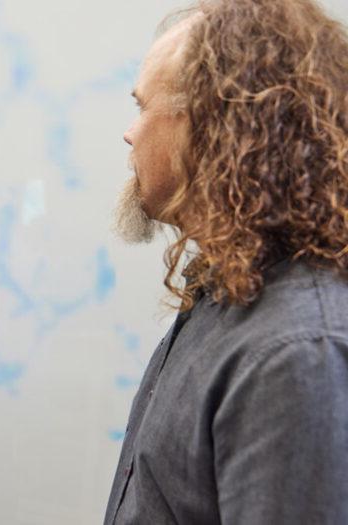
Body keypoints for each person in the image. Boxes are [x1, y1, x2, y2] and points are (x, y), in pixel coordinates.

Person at [109, 0, 348, 523]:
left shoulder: (299, 350)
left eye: (142, 106)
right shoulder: (227, 291)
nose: (130, 133)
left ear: (209, 128)